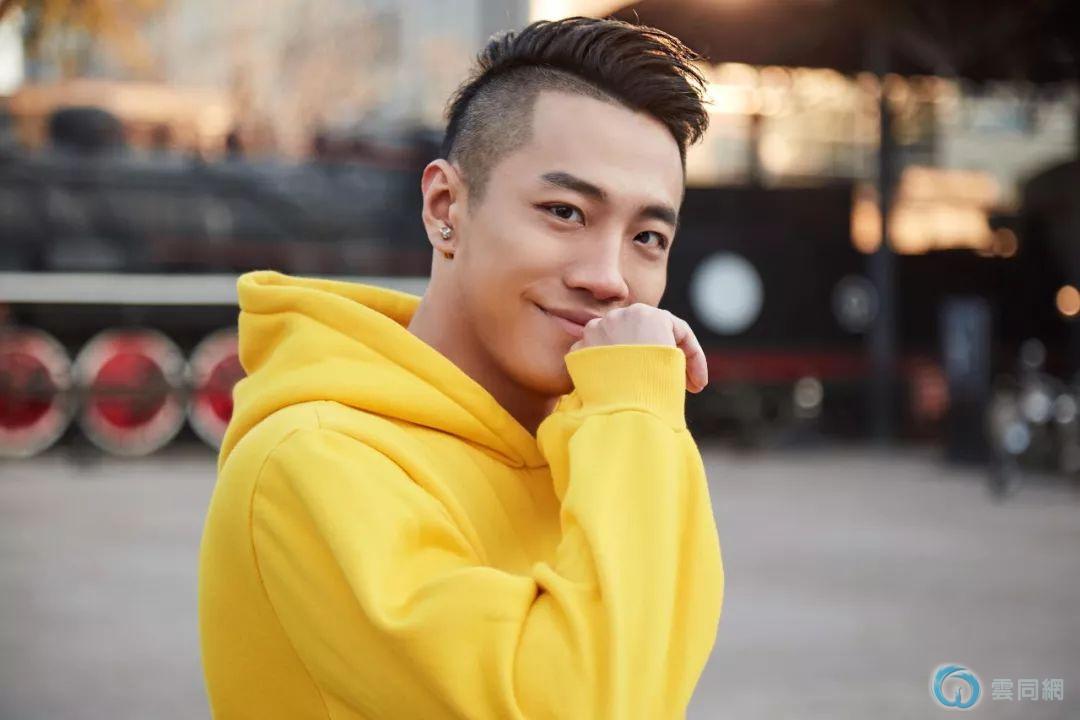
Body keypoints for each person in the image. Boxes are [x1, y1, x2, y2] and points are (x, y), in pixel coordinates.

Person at [199, 16, 724, 719]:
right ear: (445, 206)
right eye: (565, 211)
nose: (609, 278)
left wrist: (629, 417)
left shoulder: (603, 438)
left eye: (648, 237)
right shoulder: (311, 462)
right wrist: (634, 411)